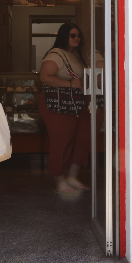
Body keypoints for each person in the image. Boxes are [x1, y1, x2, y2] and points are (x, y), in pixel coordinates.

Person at [38, 23, 102, 195]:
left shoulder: (76, 55)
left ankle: (72, 177)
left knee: (81, 139)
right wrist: (69, 83)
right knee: (62, 141)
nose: (76, 38)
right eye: (72, 35)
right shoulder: (56, 54)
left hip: (75, 104)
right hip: (58, 104)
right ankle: (60, 179)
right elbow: (44, 77)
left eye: (78, 35)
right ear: (64, 36)